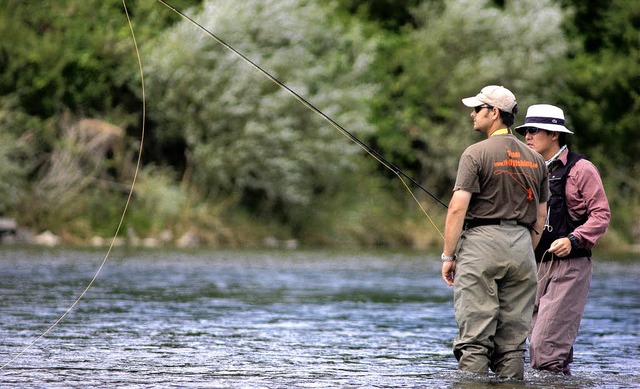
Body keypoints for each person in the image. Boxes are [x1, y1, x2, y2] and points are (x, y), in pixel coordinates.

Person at [441, 85, 549, 379]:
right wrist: (525, 247)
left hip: (481, 247)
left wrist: (448, 256)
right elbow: (541, 215)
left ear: (494, 113)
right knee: (513, 345)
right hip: (522, 249)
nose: (472, 114)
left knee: (475, 339)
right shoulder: (536, 159)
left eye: (477, 109)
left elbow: (456, 209)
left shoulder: (475, 153)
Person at [515, 104, 610, 375]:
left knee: (544, 350)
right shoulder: (529, 170)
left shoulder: (581, 169)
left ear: (554, 134)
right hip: (535, 266)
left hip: (570, 267)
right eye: (525, 131)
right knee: (544, 345)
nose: (527, 137)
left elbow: (601, 214)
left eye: (534, 130)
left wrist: (574, 239)